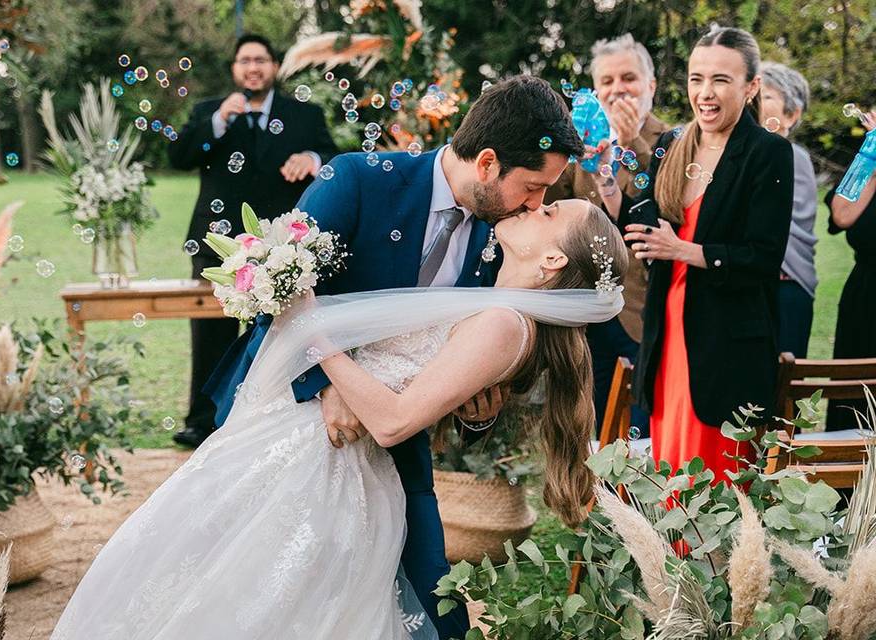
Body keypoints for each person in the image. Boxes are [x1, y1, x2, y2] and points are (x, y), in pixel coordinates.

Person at [50, 199, 629, 640]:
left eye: (550, 211)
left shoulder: (505, 324)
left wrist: (316, 336)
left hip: (333, 470)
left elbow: (396, 420)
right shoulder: (493, 303)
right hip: (306, 448)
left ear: (553, 259)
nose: (535, 204)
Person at [204, 75, 584, 638]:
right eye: (532, 188)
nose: (537, 204)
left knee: (434, 606)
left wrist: (475, 412)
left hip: (396, 452)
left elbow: (457, 360)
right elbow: (274, 291)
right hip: (288, 425)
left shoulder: (501, 243)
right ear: (486, 163)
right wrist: (324, 384)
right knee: (271, 591)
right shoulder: (358, 182)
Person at [597, 26, 794, 481]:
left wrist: (684, 249)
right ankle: (670, 554)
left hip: (725, 344)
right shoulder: (670, 145)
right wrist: (610, 186)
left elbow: (763, 257)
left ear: (751, 87)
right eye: (695, 79)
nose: (705, 93)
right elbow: (646, 228)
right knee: (672, 474)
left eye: (721, 80)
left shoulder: (768, 153)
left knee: (716, 481)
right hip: (668, 335)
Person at [168, 34, 338, 448]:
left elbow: (334, 156)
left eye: (261, 59)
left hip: (282, 239)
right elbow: (178, 157)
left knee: (284, 327)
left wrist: (312, 160)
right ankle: (203, 419)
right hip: (217, 240)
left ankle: (275, 413)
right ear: (234, 69)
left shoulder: (304, 114)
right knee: (211, 330)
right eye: (244, 60)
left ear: (275, 66)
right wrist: (218, 123)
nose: (253, 67)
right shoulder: (210, 112)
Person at [546, 33, 667, 438]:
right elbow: (551, 202)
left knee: (643, 427)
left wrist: (632, 142)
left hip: (644, 309)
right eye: (607, 82)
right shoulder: (582, 144)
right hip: (588, 309)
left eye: (628, 78)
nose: (618, 90)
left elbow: (663, 202)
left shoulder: (672, 141)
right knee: (593, 429)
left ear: (650, 85)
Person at [760, 62, 818, 358]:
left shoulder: (795, 157)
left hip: (786, 287)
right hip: (751, 289)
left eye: (767, 95)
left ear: (791, 114)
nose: (756, 100)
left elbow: (783, 224)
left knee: (784, 389)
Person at [824, 109, 876, 430]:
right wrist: (871, 154)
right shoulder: (869, 159)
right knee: (854, 403)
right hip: (866, 298)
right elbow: (842, 214)